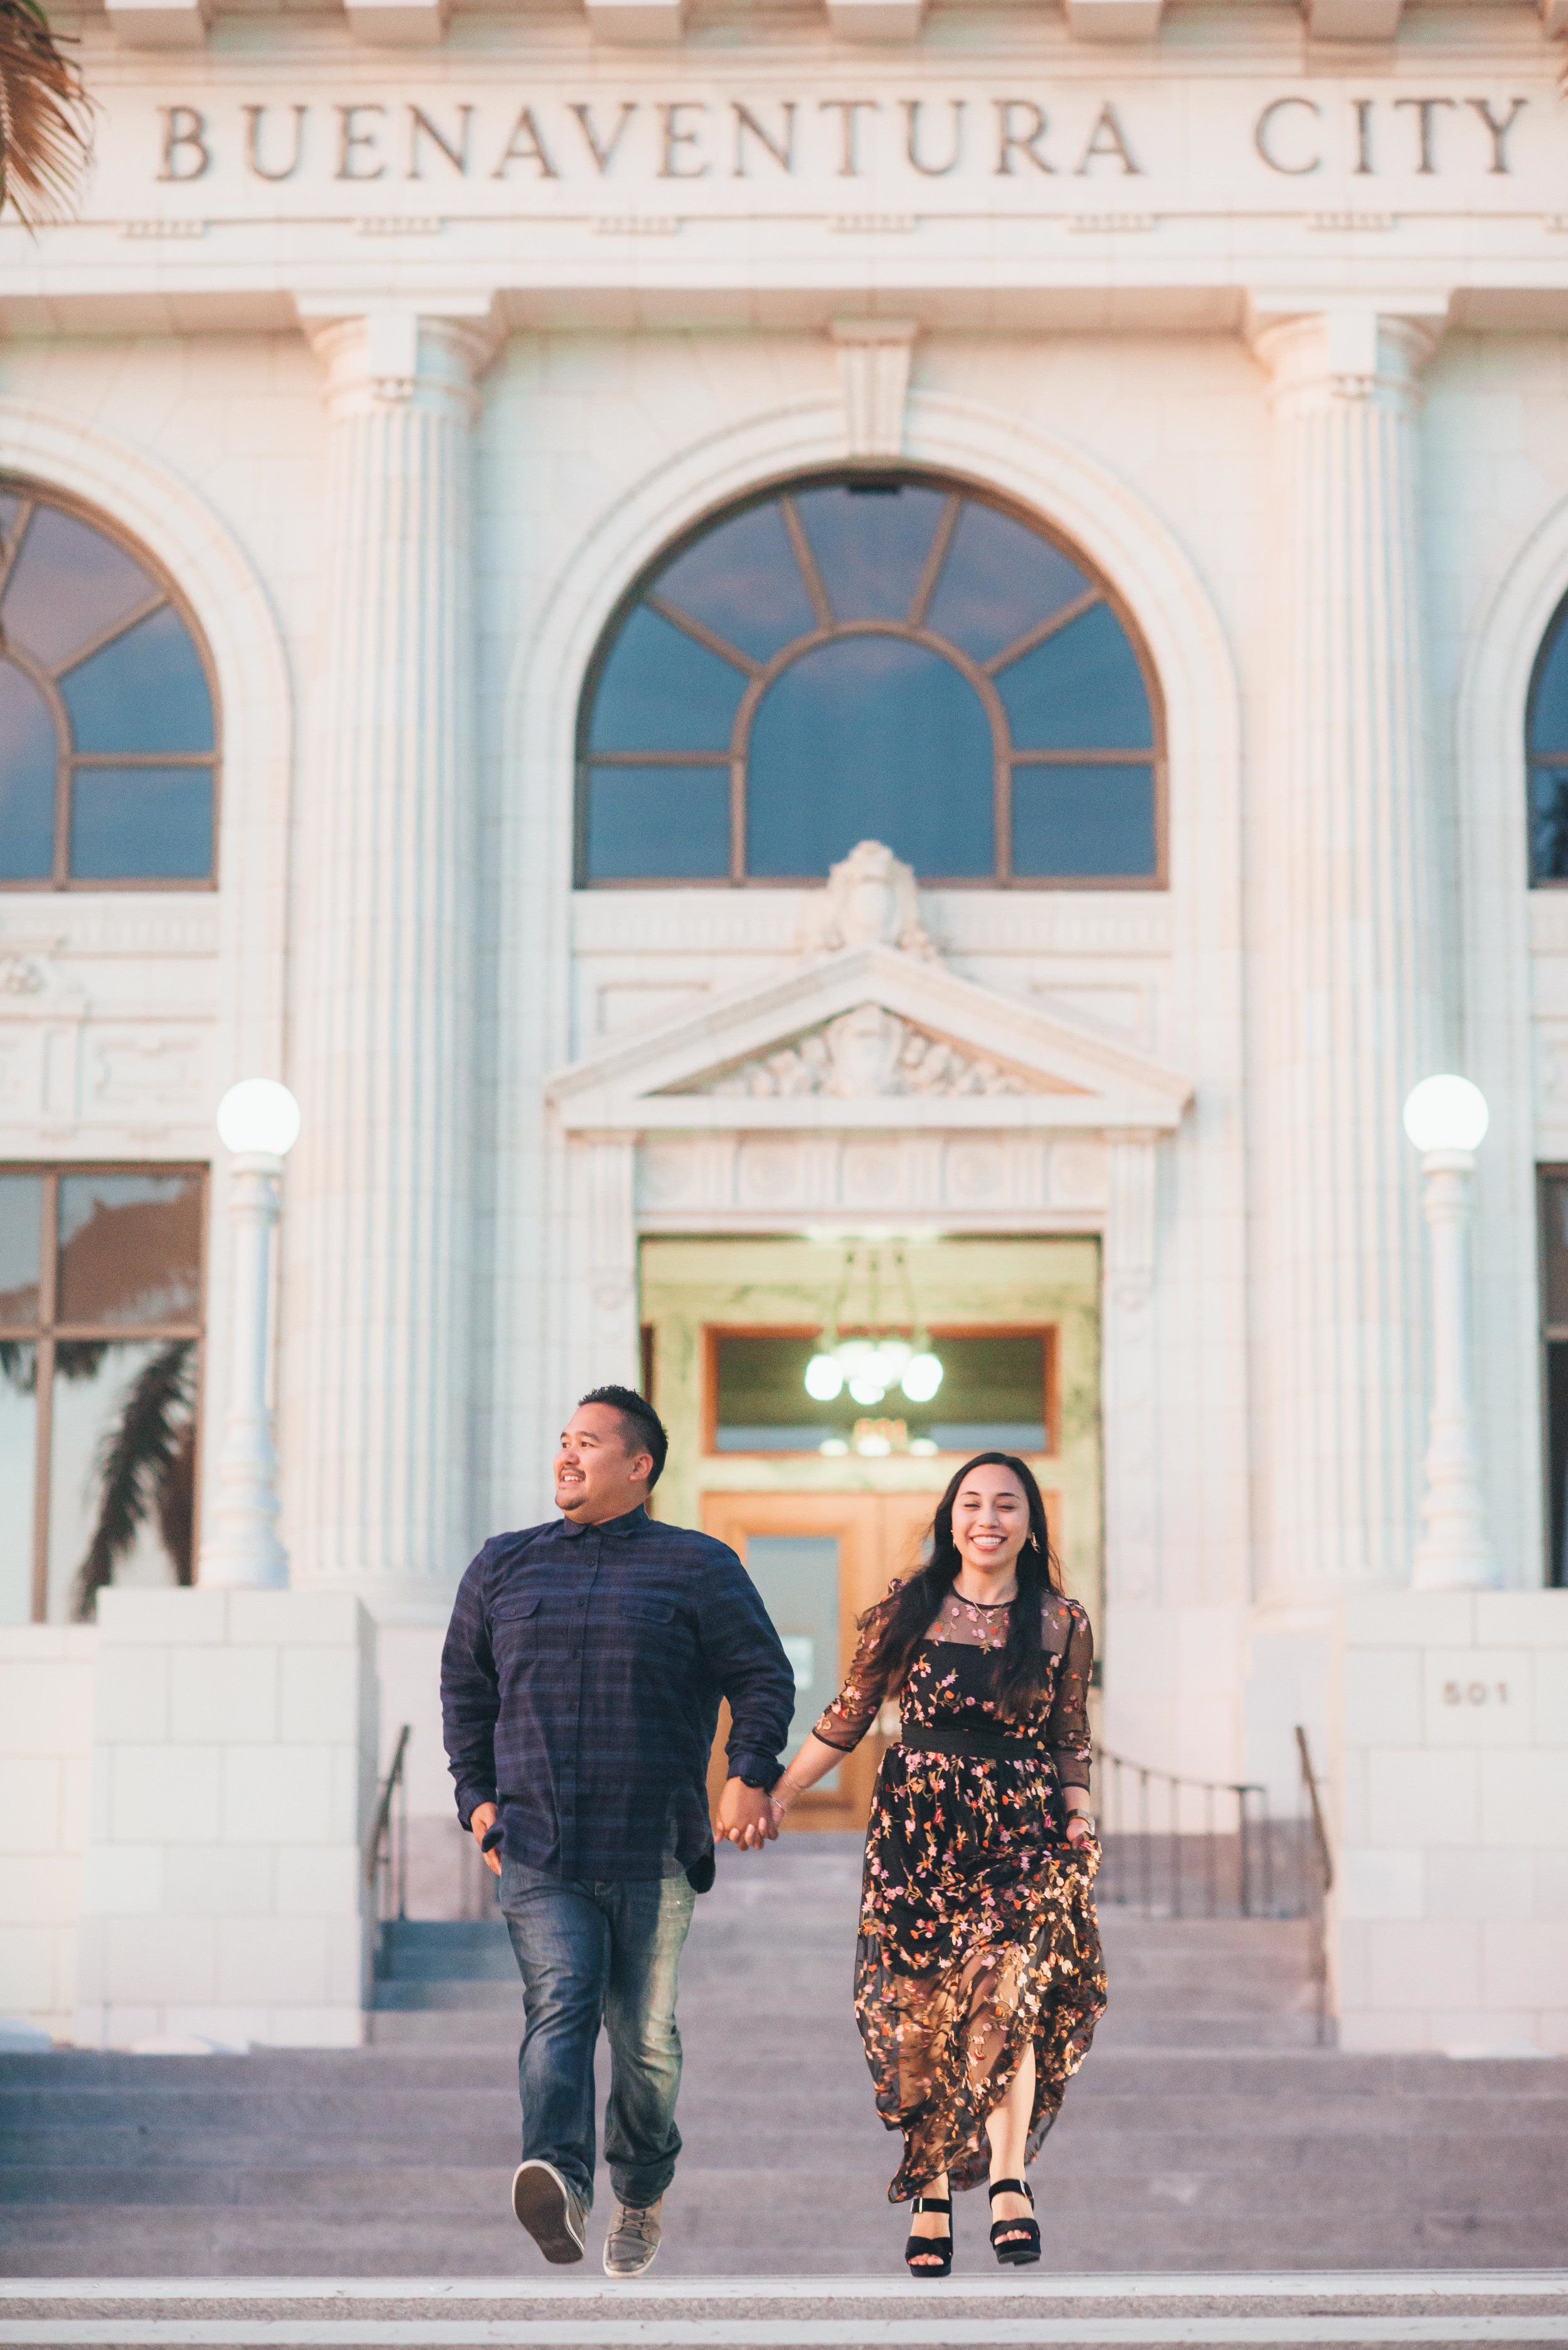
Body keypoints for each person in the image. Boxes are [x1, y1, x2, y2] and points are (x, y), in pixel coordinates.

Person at [440, 1385, 795, 2279]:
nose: (566, 1455)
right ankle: (558, 2178)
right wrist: (477, 1799)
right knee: (560, 2003)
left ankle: (639, 2187)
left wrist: (749, 1772)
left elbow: (762, 1675)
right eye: (562, 1439)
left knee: (642, 2037)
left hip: (654, 1846)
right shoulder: (502, 1566)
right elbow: (465, 1692)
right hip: (540, 1845)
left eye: (588, 1442)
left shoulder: (698, 1566)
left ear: (638, 1466)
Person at [766, 1451, 1106, 2277]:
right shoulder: (907, 1611)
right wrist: (778, 1792)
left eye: (1007, 1504)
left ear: (1031, 1524)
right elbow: (846, 1717)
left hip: (1019, 1832)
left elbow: (1067, 1739)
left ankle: (1007, 2179)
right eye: (973, 1503)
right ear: (951, 1517)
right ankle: (929, 2187)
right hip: (916, 1835)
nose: (988, 1517)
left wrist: (1080, 1812)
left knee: (1007, 1993)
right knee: (921, 2013)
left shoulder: (1061, 1621)